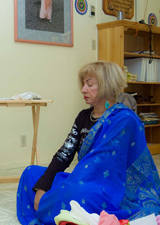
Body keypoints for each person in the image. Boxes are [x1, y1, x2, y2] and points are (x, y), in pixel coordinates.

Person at [16, 61, 160, 224]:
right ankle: (61, 207)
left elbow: (104, 166)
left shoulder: (123, 119)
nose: (83, 89)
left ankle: (58, 206)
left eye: (90, 84)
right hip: (84, 179)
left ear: (107, 85)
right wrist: (42, 186)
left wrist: (72, 183)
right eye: (83, 84)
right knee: (31, 173)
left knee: (76, 191)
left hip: (107, 187)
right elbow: (65, 154)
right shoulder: (83, 116)